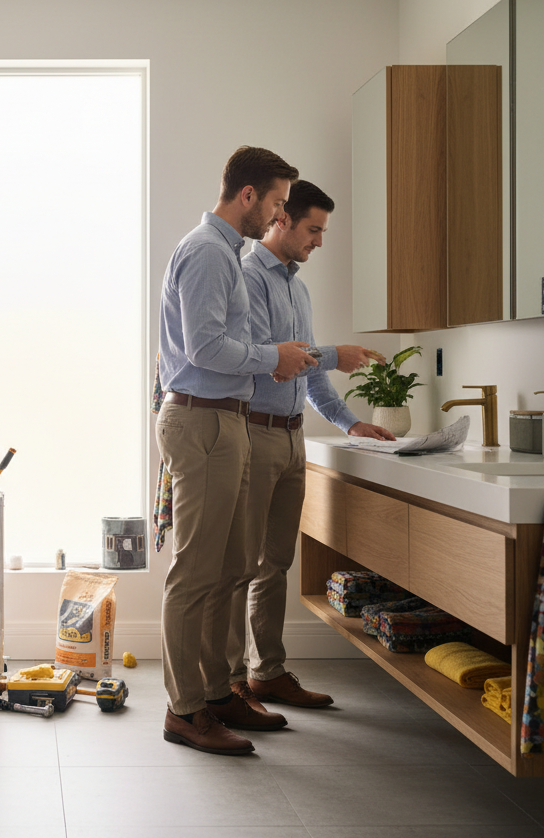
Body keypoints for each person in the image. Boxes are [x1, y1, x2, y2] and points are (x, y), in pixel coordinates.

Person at [156, 146, 317, 756]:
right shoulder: (206, 253)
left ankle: (217, 692)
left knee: (228, 571)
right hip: (203, 423)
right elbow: (205, 348)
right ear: (248, 196)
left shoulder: (225, 253)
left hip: (228, 421)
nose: (278, 215)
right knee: (194, 575)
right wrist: (271, 358)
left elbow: (227, 343)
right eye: (277, 203)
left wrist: (279, 358)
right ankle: (184, 710)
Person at [227, 179, 394, 719]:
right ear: (280, 220)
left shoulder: (298, 289)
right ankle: (229, 683)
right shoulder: (246, 278)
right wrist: (331, 353)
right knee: (240, 565)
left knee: (275, 562)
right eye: (313, 229)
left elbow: (311, 375)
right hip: (252, 431)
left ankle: (267, 672)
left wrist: (350, 424)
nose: (320, 241)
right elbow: (267, 356)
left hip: (293, 434)